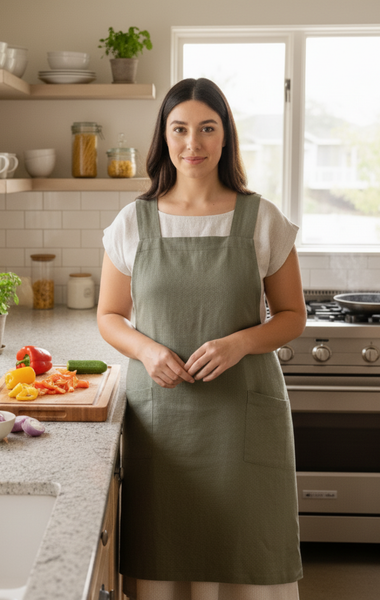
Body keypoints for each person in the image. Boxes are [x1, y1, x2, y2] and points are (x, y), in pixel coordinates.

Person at [97, 78, 306, 600]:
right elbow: (109, 316)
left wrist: (240, 343)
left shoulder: (262, 219)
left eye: (207, 129)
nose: (194, 143)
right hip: (162, 422)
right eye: (181, 129)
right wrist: (146, 349)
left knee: (244, 553)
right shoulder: (133, 223)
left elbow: (292, 315)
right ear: (164, 138)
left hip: (241, 418)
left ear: (225, 136)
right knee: (165, 550)